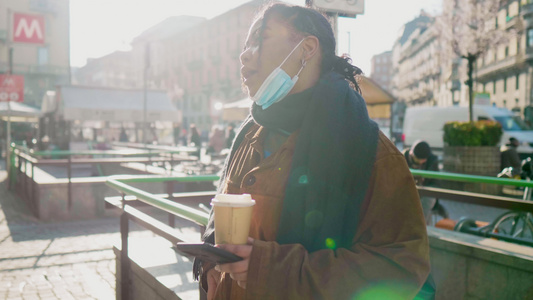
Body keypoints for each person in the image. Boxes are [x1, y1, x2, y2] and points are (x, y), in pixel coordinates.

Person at [194, 4, 431, 300]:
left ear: (307, 49)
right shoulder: (248, 134)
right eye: (245, 45)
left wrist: (270, 269)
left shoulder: (370, 152)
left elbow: (401, 266)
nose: (244, 54)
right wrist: (212, 262)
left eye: (260, 39)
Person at [402, 140, 441, 224]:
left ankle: (420, 228)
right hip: (406, 191)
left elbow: (436, 183)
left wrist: (424, 187)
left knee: (427, 200)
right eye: (418, 160)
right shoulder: (402, 158)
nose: (422, 162)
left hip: (425, 193)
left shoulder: (432, 160)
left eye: (424, 160)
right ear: (411, 154)